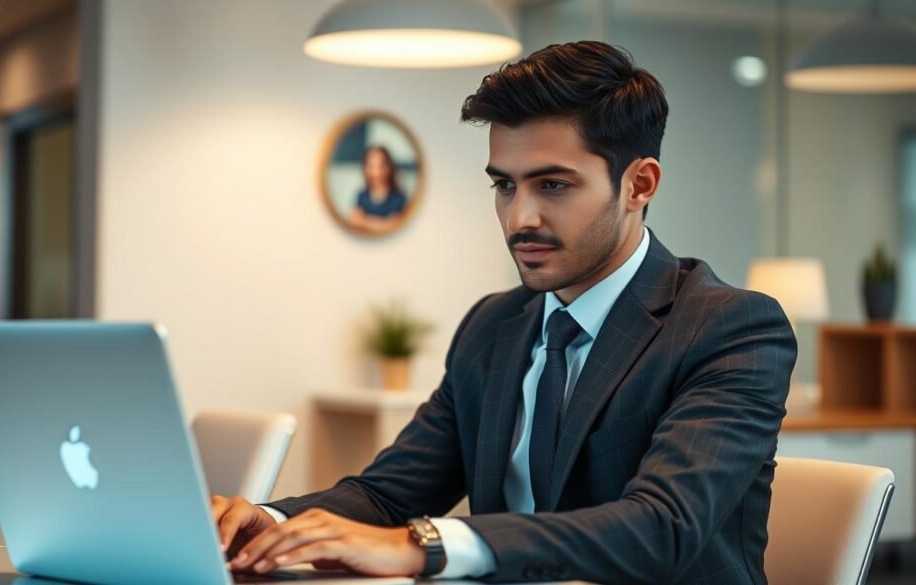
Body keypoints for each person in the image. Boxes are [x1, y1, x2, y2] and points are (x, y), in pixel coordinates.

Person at [213, 41, 796, 585]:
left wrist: (427, 546)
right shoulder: (494, 327)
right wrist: (271, 523)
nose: (520, 219)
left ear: (638, 184)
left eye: (553, 186)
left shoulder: (728, 327)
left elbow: (662, 525)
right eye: (504, 186)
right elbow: (390, 496)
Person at [347, 146, 409, 234]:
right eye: (371, 166)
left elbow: (394, 225)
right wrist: (382, 223)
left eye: (381, 166)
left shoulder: (398, 198)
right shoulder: (362, 196)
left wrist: (365, 221)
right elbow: (354, 221)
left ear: (389, 168)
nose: (376, 172)